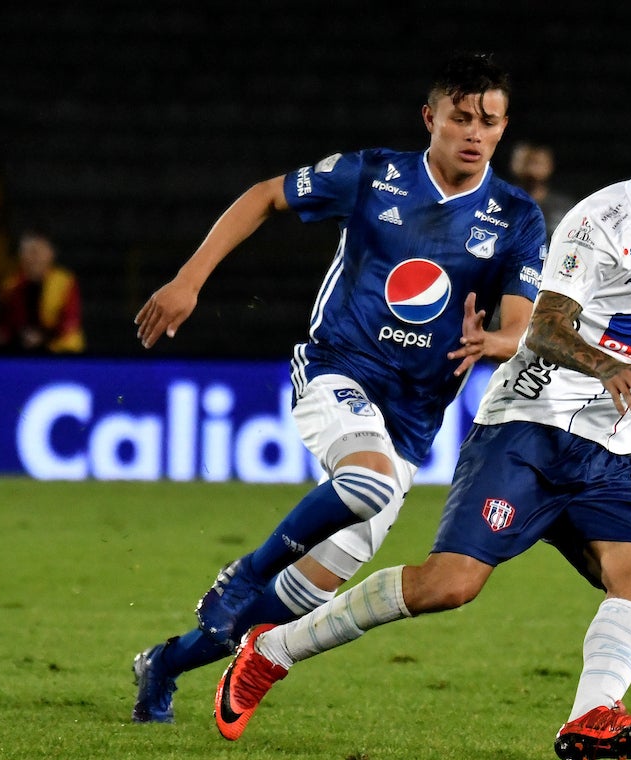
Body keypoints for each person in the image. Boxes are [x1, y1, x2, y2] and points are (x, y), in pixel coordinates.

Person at [213, 110, 631, 760]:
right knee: (449, 585)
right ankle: (270, 651)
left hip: (603, 450)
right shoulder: (599, 226)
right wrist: (611, 365)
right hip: (525, 431)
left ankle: (592, 717)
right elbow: (544, 328)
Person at [129, 53, 547, 724]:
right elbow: (266, 195)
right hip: (337, 372)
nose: (474, 132)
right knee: (366, 485)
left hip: (412, 422)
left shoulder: (516, 216)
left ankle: (164, 664)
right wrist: (189, 280)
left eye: (489, 122)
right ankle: (243, 573)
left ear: (504, 128)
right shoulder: (374, 173)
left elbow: (521, 324)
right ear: (430, 117)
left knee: (295, 601)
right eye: (460, 117)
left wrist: (494, 342)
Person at [0, 228, 85, 353]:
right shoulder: (10, 284)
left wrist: (43, 337)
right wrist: (5, 333)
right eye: (28, 252)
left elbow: (70, 320)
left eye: (38, 251)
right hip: (22, 346)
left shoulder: (65, 281)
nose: (34, 257)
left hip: (60, 348)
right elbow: (8, 321)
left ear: (51, 253)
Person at [509, 140, 574, 240]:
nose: (532, 167)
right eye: (527, 161)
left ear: (550, 165)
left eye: (537, 162)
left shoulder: (565, 208)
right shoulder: (495, 201)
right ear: (513, 164)